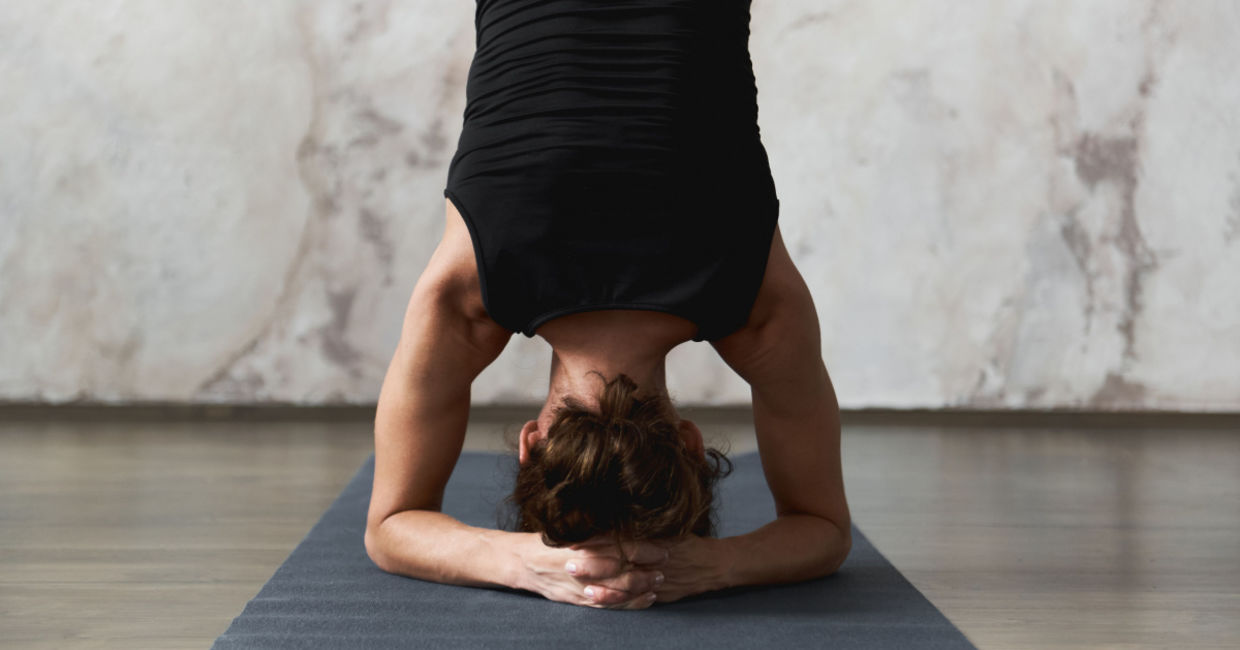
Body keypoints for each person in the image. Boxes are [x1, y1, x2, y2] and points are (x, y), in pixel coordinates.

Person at [364, 0, 851, 610]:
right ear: (531, 443)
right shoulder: (468, 297)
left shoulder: (755, 303)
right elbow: (390, 527)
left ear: (689, 442)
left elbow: (826, 532)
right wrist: (523, 561)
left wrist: (715, 565)